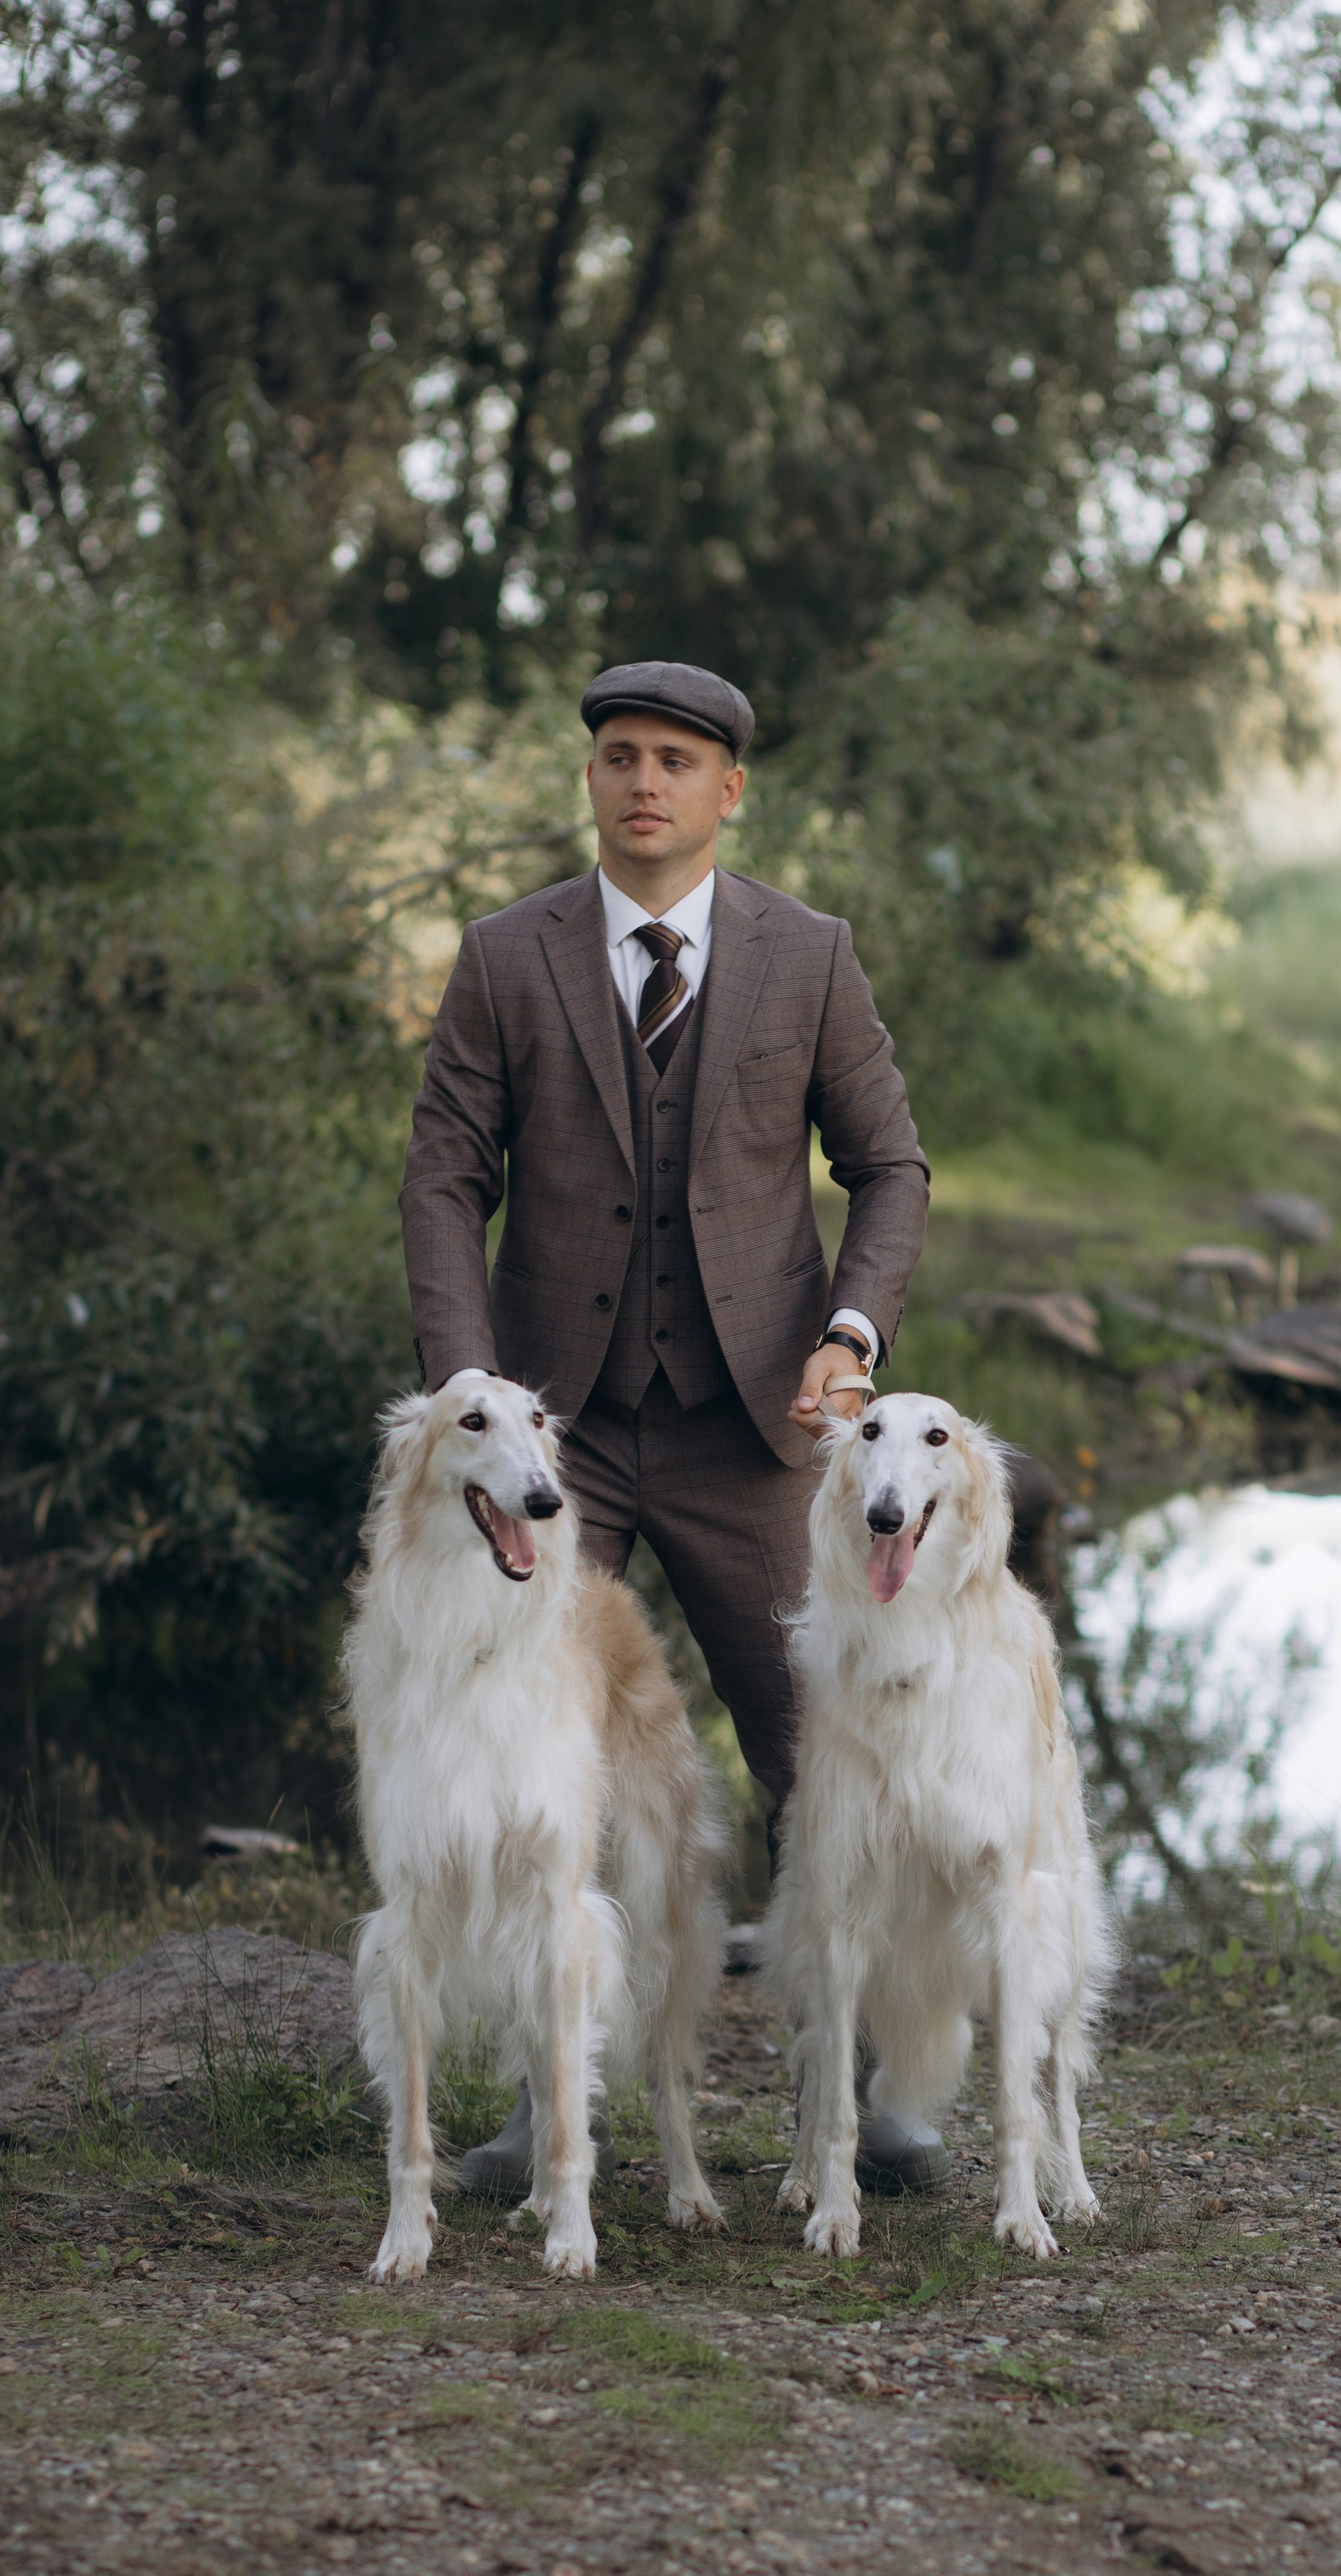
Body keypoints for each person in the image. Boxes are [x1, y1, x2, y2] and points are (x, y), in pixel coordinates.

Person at [400, 658, 938, 2198]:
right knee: (532, 1761)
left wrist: (850, 1335)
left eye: (678, 763)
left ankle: (873, 2079)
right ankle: (535, 2100)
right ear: (592, 780)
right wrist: (470, 1395)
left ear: (727, 790)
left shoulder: (808, 956)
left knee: (821, 1753)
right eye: (621, 757)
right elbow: (445, 1177)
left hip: (754, 1429)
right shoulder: (508, 959)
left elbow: (890, 1167)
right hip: (549, 1454)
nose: (647, 782)